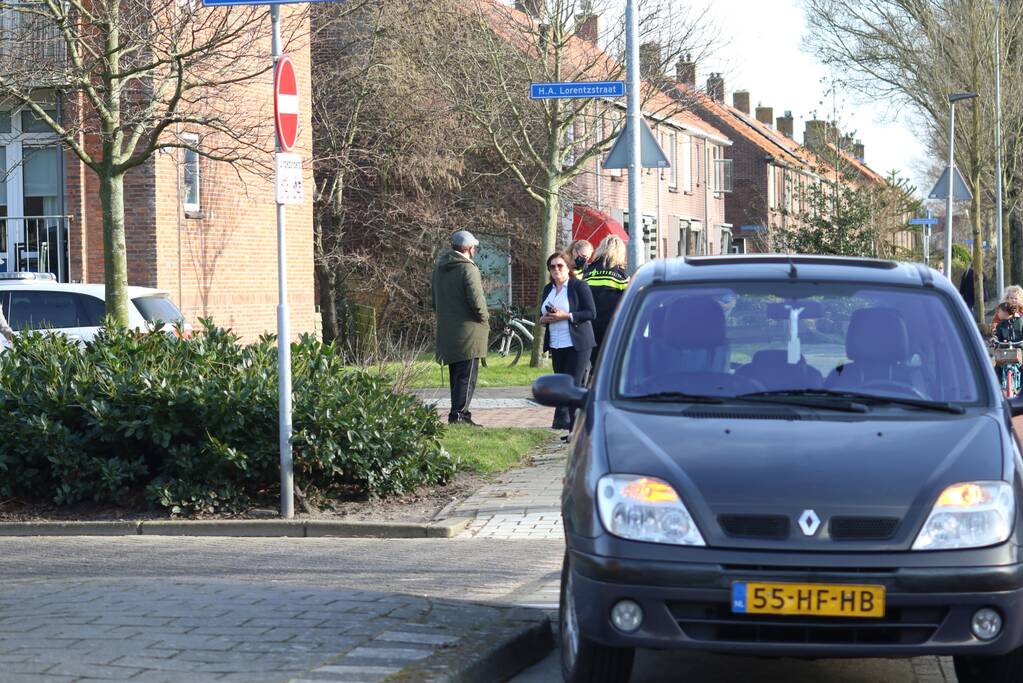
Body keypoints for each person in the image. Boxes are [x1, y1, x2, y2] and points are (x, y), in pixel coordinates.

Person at [432, 230, 489, 426]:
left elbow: (434, 300)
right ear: (469, 248)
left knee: (456, 377)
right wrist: (485, 317)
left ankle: (457, 413)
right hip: (469, 332)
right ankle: (460, 415)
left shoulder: (439, 268)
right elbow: (477, 301)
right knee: (467, 376)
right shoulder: (468, 269)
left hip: (448, 331)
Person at [540, 251, 596, 433]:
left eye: (560, 266)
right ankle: (573, 427)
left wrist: (567, 316)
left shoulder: (578, 286)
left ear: (568, 268)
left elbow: (590, 313)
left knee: (573, 386)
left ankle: (577, 430)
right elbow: (542, 314)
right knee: (563, 387)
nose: (556, 269)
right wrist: (543, 320)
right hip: (556, 345)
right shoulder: (548, 289)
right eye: (552, 266)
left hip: (577, 344)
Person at [582, 235, 629, 366]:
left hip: (588, 326)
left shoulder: (587, 272)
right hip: (611, 328)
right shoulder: (621, 276)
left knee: (592, 365)